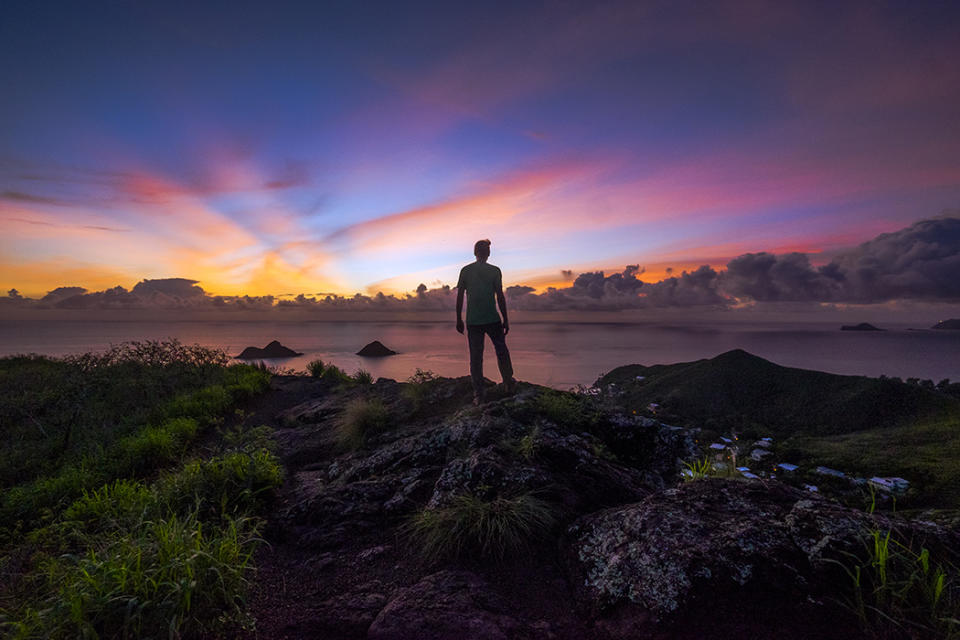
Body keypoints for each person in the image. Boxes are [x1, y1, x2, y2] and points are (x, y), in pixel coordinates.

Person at [456, 239, 516, 404]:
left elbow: (460, 297)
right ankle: (508, 383)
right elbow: (500, 297)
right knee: (501, 350)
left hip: (474, 321)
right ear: (488, 253)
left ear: (475, 252)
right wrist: (506, 319)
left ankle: (479, 394)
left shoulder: (466, 270)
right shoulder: (494, 271)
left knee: (476, 357)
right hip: (491, 319)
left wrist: (458, 319)